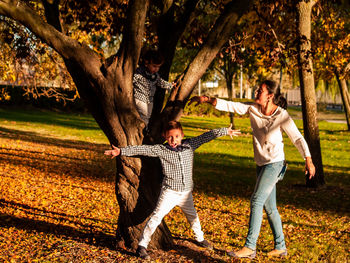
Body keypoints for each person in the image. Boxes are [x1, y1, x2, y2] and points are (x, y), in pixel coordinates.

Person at [189, 80, 316, 258]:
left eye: (260, 90)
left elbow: (298, 139)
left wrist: (308, 160)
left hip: (275, 164)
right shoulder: (253, 109)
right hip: (261, 164)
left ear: (270, 96)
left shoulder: (282, 115)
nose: (256, 92)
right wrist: (208, 99)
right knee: (270, 207)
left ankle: (249, 247)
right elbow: (231, 106)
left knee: (256, 201)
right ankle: (280, 247)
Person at [104, 121, 241, 259]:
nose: (173, 140)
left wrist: (225, 131)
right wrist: (121, 151)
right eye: (169, 137)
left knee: (193, 216)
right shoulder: (162, 150)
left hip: (186, 193)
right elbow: (143, 149)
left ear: (182, 135)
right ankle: (142, 246)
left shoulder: (190, 145)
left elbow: (206, 136)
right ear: (164, 136)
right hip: (170, 192)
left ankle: (200, 239)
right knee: (156, 217)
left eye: (176, 136)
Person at [133, 49, 174, 126]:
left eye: (158, 67)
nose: (156, 69)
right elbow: (131, 80)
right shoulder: (140, 72)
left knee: (147, 116)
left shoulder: (155, 75)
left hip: (150, 99)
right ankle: (142, 128)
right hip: (139, 98)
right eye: (154, 66)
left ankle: (144, 128)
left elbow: (160, 82)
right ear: (146, 63)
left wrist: (170, 85)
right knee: (144, 114)